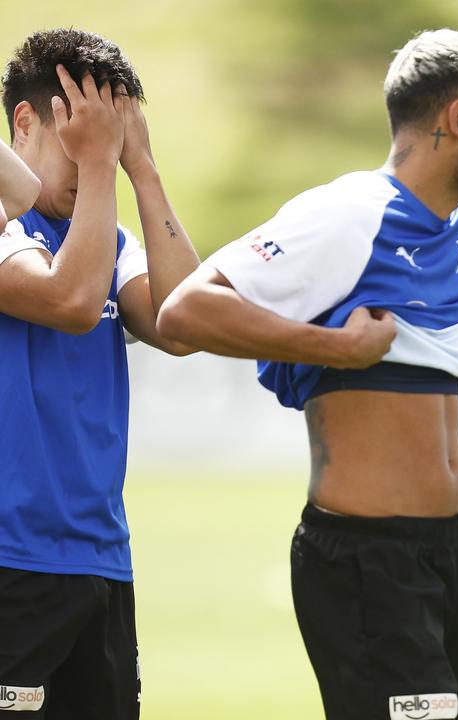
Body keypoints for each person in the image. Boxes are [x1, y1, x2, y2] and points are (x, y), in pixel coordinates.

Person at [157, 28, 458, 720]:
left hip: (450, 550)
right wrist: (333, 350)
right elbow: (185, 312)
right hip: (367, 559)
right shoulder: (348, 214)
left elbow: (447, 338)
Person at [0, 29, 200, 719]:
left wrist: (141, 169)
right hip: (11, 563)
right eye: (81, 137)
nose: (97, 162)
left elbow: (183, 322)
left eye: (109, 141)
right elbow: (72, 301)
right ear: (25, 121)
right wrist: (100, 167)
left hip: (100, 563)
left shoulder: (106, 237)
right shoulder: (6, 223)